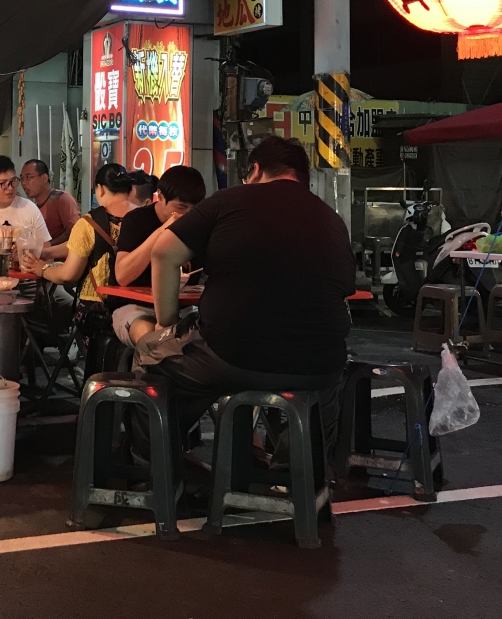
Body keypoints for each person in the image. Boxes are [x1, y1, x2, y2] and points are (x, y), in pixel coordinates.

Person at [142, 137, 353, 450]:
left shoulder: (229, 200)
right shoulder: (331, 219)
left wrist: (166, 322)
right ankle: (298, 469)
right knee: (321, 401)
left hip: (231, 355)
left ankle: (156, 463)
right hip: (319, 365)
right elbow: (344, 288)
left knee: (149, 351)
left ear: (255, 170)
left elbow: (163, 252)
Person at [20, 164, 136, 304]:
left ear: (100, 189)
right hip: (138, 302)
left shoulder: (90, 222)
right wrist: (46, 253)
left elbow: (68, 275)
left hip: (98, 304)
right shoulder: (146, 218)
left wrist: (41, 269)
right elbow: (81, 244)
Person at [114, 165, 207, 290]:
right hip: (137, 299)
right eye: (181, 207)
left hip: (185, 299)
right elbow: (122, 276)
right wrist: (163, 230)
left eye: (194, 209)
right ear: (160, 196)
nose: (187, 214)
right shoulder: (136, 220)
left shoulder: (199, 224)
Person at [21, 159, 81, 247]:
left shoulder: (62, 199)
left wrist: (49, 245)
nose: (23, 183)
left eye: (28, 177)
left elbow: (76, 230)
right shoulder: (31, 207)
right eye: (21, 178)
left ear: (44, 178)